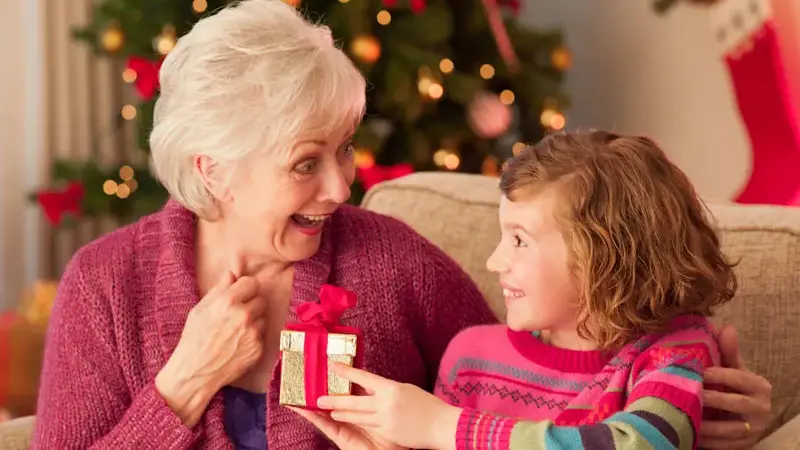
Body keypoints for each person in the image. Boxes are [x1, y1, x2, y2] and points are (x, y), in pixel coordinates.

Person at [30, 1, 769, 448]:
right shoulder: (107, 283)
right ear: (213, 166)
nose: (341, 185)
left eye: (345, 150)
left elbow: (542, 379)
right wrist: (183, 387)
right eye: (305, 162)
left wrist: (698, 402)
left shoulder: (392, 261)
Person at [296, 132, 774, 450]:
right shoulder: (472, 357)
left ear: (605, 255)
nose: (494, 261)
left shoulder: (671, 350)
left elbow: (636, 443)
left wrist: (443, 426)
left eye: (520, 240)